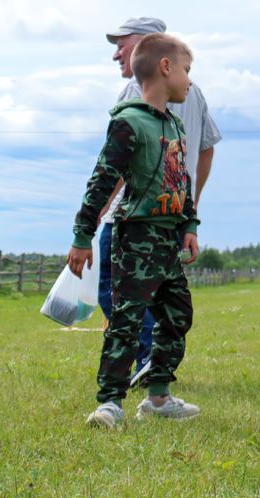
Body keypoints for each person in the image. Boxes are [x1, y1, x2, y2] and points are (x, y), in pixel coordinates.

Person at [69, 34, 201, 428]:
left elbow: (181, 179)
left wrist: (189, 224)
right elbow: (102, 179)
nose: (189, 81)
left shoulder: (174, 124)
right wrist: (82, 235)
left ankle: (158, 397)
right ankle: (109, 403)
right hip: (136, 238)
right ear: (165, 68)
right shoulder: (128, 122)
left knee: (178, 315)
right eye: (186, 71)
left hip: (167, 240)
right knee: (126, 321)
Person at [98, 17, 221, 383]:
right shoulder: (192, 90)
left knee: (115, 285)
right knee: (166, 292)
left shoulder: (136, 91)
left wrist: (103, 205)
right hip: (174, 216)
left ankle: (146, 359)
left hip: (132, 215)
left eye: (122, 44)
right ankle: (156, 369)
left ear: (146, 44)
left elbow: (121, 158)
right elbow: (207, 147)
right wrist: (190, 206)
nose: (117, 54)